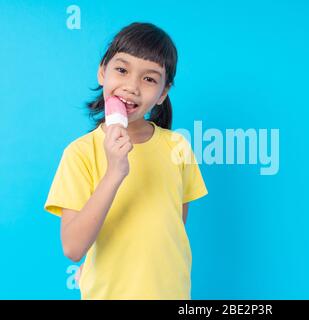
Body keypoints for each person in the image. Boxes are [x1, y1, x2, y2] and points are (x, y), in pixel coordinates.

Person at [44, 22, 208, 299]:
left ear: (163, 93)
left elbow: (174, 224)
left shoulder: (177, 146)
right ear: (102, 72)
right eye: (121, 70)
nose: (131, 87)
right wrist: (114, 173)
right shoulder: (80, 153)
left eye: (149, 79)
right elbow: (72, 249)